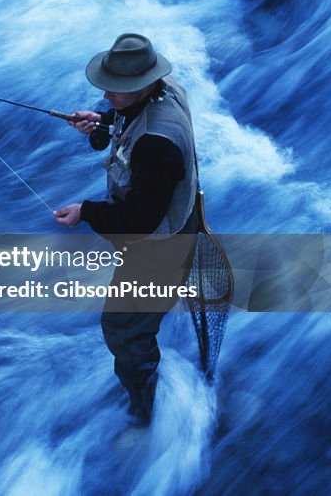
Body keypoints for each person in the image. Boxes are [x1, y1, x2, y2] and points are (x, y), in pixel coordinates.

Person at [53, 33, 198, 426]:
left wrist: (86, 212)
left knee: (121, 328)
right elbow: (128, 120)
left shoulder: (156, 145)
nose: (106, 91)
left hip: (160, 245)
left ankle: (145, 409)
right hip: (183, 217)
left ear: (145, 83)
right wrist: (101, 122)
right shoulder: (167, 90)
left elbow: (139, 222)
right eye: (108, 84)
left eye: (117, 89)